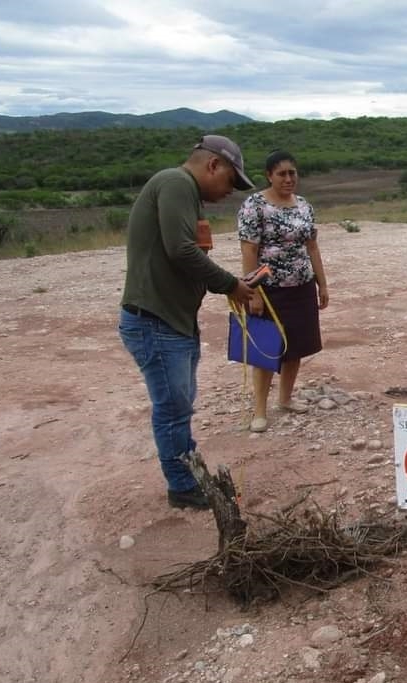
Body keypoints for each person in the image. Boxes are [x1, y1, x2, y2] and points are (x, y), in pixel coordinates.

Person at [119, 134, 257, 510]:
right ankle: (183, 486)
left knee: (178, 407)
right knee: (173, 409)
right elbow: (180, 250)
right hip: (156, 322)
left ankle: (190, 476)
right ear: (214, 165)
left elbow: (183, 255)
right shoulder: (176, 183)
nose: (230, 191)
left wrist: (226, 286)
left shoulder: (183, 191)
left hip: (170, 323)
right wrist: (231, 284)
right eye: (231, 180)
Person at [237, 150, 329, 432]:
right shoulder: (254, 205)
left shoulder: (303, 205)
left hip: (301, 286)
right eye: (282, 174)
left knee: (296, 347)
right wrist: (252, 292)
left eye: (292, 173)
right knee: (265, 350)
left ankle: (285, 399)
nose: (289, 179)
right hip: (268, 289)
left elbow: (311, 246)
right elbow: (249, 250)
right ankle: (260, 410)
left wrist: (321, 283)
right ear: (269, 176)